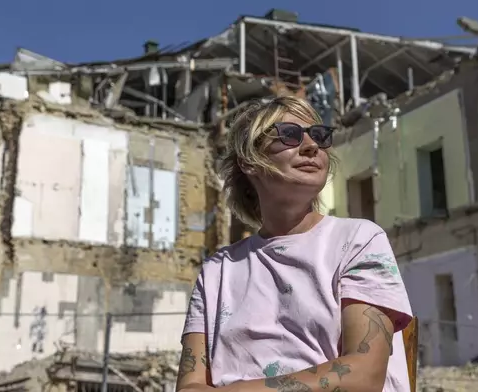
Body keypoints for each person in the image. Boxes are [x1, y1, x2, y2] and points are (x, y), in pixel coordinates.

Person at [177, 96, 413, 392]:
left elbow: (363, 376)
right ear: (249, 161)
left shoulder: (358, 241)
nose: (311, 145)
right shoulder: (217, 271)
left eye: (319, 135)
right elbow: (190, 386)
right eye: (289, 134)